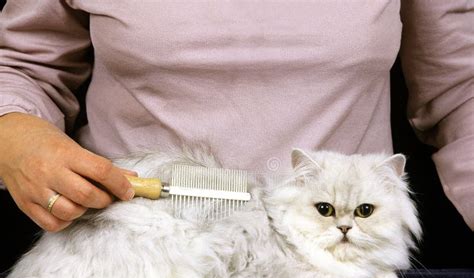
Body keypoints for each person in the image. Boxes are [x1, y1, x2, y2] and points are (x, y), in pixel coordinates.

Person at [0, 1, 473, 234]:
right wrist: (14, 133)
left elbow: (461, 88)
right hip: (134, 259)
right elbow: (23, 65)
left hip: (337, 274)